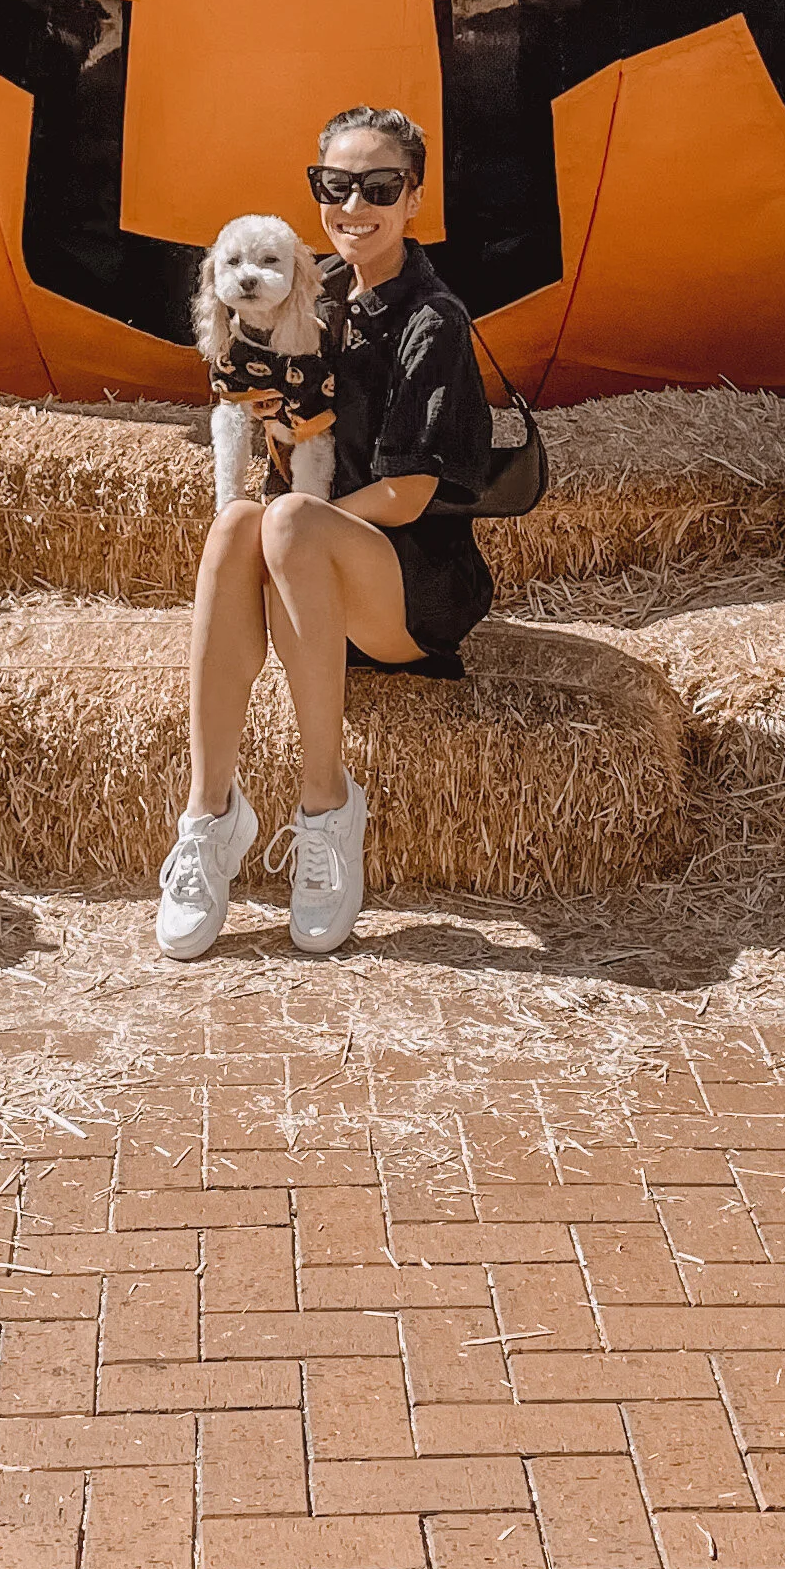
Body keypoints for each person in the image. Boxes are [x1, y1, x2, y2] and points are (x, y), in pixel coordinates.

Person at [157, 106, 493, 963]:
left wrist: (297, 525)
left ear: (414, 198)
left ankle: (326, 807)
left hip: (408, 591)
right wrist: (274, 432)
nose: (355, 204)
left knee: (284, 518)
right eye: (334, 186)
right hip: (311, 573)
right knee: (236, 521)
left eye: (380, 187)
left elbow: (416, 492)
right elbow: (291, 456)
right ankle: (210, 814)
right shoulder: (308, 297)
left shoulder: (434, 319)